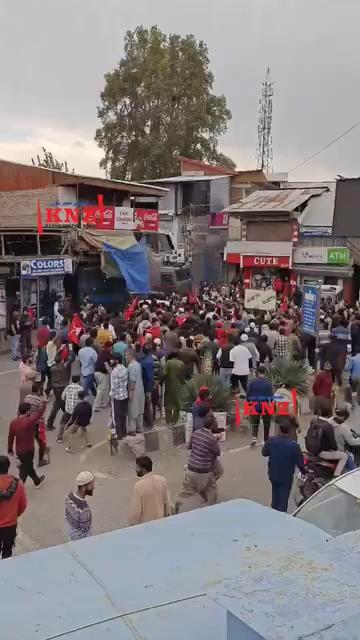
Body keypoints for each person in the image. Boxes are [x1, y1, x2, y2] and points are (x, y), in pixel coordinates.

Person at [177, 414, 223, 507]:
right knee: (212, 493)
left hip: (191, 467)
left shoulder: (195, 433)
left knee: (185, 492)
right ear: (213, 427)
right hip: (204, 470)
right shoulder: (212, 439)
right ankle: (208, 509)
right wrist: (216, 439)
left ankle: (176, 504)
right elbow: (217, 453)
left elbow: (189, 446)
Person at [262, 421, 305, 512]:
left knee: (275, 495)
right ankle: (279, 518)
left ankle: (273, 511)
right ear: (289, 431)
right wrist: (304, 472)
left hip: (273, 475)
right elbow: (300, 463)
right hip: (286, 478)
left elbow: (264, 453)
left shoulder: (271, 440)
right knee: (283, 501)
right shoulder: (294, 446)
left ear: (279, 430)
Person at [8, 402, 46, 487]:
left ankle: (37, 482)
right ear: (28, 411)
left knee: (28, 465)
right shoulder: (30, 421)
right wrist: (44, 402)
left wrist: (9, 449)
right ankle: (17, 488)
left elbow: (10, 437)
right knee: (25, 469)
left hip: (19, 450)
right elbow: (39, 413)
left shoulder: (13, 422)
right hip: (28, 450)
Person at [306, 407, 348, 477]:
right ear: (330, 414)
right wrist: (336, 449)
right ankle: (336, 475)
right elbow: (333, 445)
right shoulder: (328, 426)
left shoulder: (314, 421)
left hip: (312, 450)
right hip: (322, 452)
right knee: (344, 456)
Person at [129, 456, 171, 526]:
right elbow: (166, 502)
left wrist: (132, 524)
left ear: (143, 469)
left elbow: (136, 511)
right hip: (161, 522)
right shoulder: (162, 480)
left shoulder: (139, 486)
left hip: (146, 525)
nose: (136, 469)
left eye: (137, 467)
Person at [0, 455, 27, 559]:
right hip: (10, 525)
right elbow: (23, 505)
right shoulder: (18, 484)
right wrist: (13, 515)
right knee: (7, 551)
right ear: (8, 467)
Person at [247, 365, 274, 446]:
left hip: (254, 404)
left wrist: (249, 403)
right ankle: (266, 439)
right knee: (267, 423)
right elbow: (271, 397)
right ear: (265, 372)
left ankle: (254, 437)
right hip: (265, 405)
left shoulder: (252, 382)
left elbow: (248, 394)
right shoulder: (268, 383)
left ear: (257, 372)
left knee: (255, 422)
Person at [64, 471, 94, 540]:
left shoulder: (68, 496)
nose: (93, 487)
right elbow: (85, 532)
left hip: (70, 531)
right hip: (80, 540)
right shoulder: (85, 510)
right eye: (91, 485)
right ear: (83, 487)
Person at [24, 382, 48, 466]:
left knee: (28, 442)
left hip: (28, 422)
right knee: (41, 442)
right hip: (37, 423)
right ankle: (41, 460)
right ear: (39, 390)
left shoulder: (27, 397)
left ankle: (25, 460)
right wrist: (44, 395)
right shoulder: (40, 400)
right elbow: (42, 410)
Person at [46, 354, 70, 431]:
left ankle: (50, 423)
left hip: (56, 388)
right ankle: (50, 423)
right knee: (59, 405)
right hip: (63, 387)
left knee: (61, 404)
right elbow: (68, 363)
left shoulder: (53, 368)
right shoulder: (64, 367)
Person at [57, 375, 83, 443]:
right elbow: (82, 399)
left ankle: (59, 438)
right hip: (76, 410)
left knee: (62, 423)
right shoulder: (80, 388)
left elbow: (62, 397)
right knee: (78, 422)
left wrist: (67, 400)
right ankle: (76, 436)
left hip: (68, 409)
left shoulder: (67, 387)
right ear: (79, 380)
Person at [126, 347, 145, 435]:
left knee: (132, 410)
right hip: (141, 390)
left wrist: (130, 391)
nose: (125, 358)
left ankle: (132, 429)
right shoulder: (138, 364)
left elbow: (132, 380)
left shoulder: (131, 366)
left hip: (134, 390)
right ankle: (139, 428)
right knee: (140, 409)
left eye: (126, 355)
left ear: (131, 355)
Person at [110, 353, 128, 439]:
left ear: (116, 361)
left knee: (117, 416)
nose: (111, 361)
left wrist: (110, 395)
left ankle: (119, 434)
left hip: (117, 396)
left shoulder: (115, 371)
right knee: (123, 415)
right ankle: (124, 432)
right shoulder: (124, 368)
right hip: (124, 395)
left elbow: (114, 386)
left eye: (112, 359)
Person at [163, 352, 185, 425]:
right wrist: (182, 383)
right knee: (177, 403)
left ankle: (169, 421)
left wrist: (161, 381)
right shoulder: (181, 363)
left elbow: (164, 373)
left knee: (168, 403)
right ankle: (174, 420)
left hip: (169, 386)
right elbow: (182, 377)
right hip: (178, 386)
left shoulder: (168, 363)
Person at [93, 341, 112, 411]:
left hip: (97, 372)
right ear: (109, 347)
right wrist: (110, 371)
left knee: (104, 388)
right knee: (101, 389)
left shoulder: (102, 352)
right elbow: (106, 364)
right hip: (101, 373)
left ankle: (103, 402)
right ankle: (96, 406)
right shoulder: (106, 354)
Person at [140, 345, 154, 429]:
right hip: (147, 386)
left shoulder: (146, 362)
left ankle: (149, 423)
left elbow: (149, 377)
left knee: (147, 406)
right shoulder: (150, 359)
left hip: (146, 387)